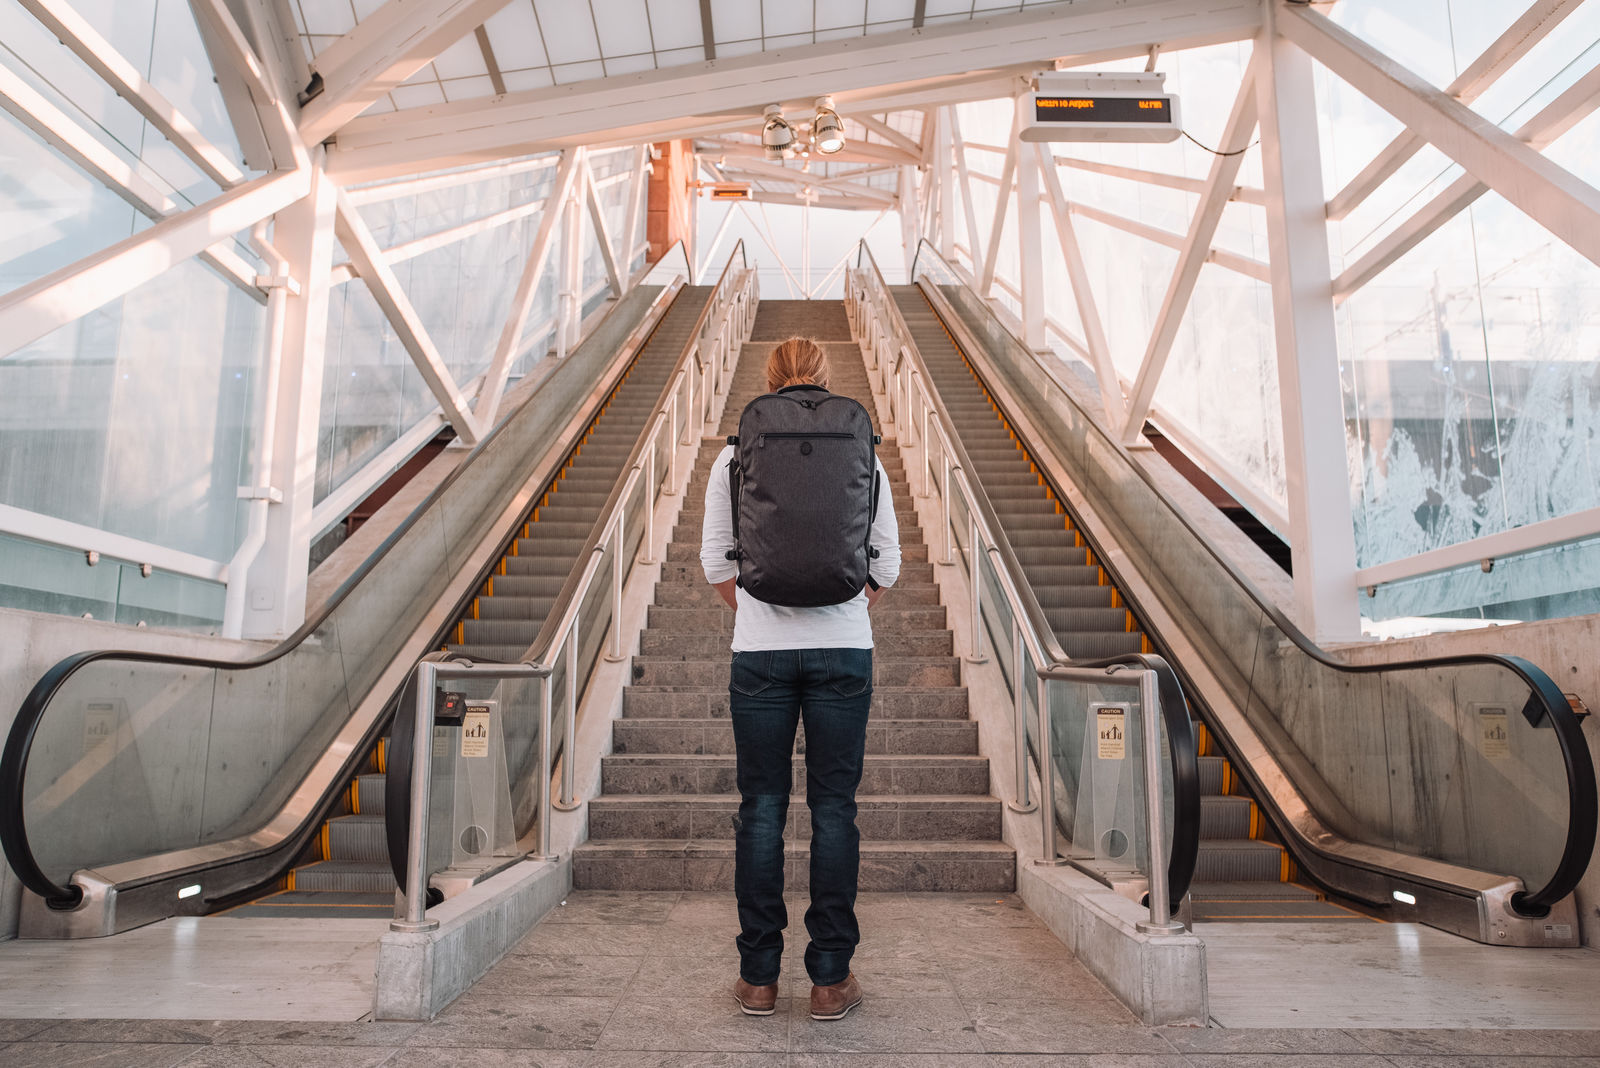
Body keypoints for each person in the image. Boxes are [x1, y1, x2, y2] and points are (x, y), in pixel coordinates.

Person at [700, 336, 901, 1022]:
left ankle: (758, 977)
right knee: (834, 809)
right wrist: (846, 605)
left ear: (770, 378)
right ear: (824, 376)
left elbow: (714, 565)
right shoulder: (861, 450)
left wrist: (760, 610)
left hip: (758, 655)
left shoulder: (734, 454)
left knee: (761, 807)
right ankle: (828, 980)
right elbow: (889, 561)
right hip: (845, 650)